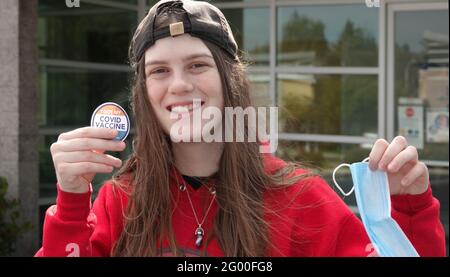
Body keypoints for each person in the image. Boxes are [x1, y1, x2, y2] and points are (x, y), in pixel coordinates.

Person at [35, 0, 445, 257]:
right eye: (159, 71)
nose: (179, 84)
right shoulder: (120, 201)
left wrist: (407, 210)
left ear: (230, 82)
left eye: (197, 65)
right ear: (144, 92)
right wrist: (71, 203)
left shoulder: (301, 198)